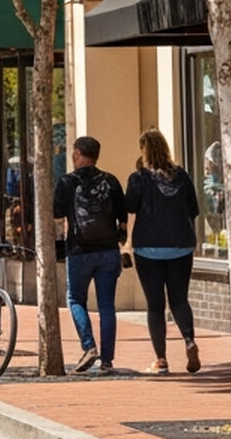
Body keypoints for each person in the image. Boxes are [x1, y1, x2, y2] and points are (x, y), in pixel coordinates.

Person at [126, 128, 201, 375]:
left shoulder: (138, 179)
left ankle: (161, 359)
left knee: (155, 305)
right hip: (181, 245)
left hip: (148, 248)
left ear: (144, 151)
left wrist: (124, 241)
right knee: (179, 299)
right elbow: (193, 210)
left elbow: (129, 209)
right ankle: (189, 340)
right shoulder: (182, 176)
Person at [55, 134, 128, 374]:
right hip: (108, 251)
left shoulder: (66, 182)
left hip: (79, 250)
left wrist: (58, 247)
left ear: (77, 154)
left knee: (75, 299)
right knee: (107, 305)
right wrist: (120, 240)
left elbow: (57, 218)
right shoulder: (111, 181)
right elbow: (123, 217)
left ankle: (89, 346)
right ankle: (107, 361)